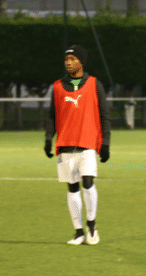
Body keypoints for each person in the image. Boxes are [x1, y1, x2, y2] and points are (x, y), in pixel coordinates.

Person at [45, 45, 111, 245]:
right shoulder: (57, 87)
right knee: (72, 189)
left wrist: (106, 142)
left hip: (87, 145)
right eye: (67, 60)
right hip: (65, 145)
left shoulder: (94, 84)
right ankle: (78, 231)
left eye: (73, 59)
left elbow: (105, 115)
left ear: (81, 61)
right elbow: (52, 116)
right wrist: (49, 138)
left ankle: (92, 226)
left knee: (88, 184)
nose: (68, 63)